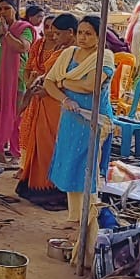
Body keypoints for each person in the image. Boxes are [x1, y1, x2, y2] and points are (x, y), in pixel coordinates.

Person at [45, 16, 116, 252]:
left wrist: (64, 81)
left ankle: (89, 223)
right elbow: (49, 83)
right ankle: (74, 218)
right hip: (71, 117)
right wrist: (64, 96)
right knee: (70, 165)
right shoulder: (69, 54)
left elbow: (91, 87)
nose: (83, 38)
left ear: (99, 36)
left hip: (94, 119)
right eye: (81, 33)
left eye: (89, 33)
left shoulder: (105, 57)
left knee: (87, 169)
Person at [16, 12, 78, 208]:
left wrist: (49, 89)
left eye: (58, 33)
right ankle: (36, 185)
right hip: (46, 101)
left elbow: (69, 82)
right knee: (41, 144)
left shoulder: (75, 53)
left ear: (70, 32)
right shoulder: (63, 50)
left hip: (57, 105)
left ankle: (50, 189)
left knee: (50, 147)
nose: (54, 36)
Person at [0, 0, 36, 165]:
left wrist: (7, 34)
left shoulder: (25, 29)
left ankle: (15, 153)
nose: (3, 12)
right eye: (0, 9)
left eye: (6, 8)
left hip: (16, 81)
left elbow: (22, 47)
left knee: (16, 116)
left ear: (15, 10)